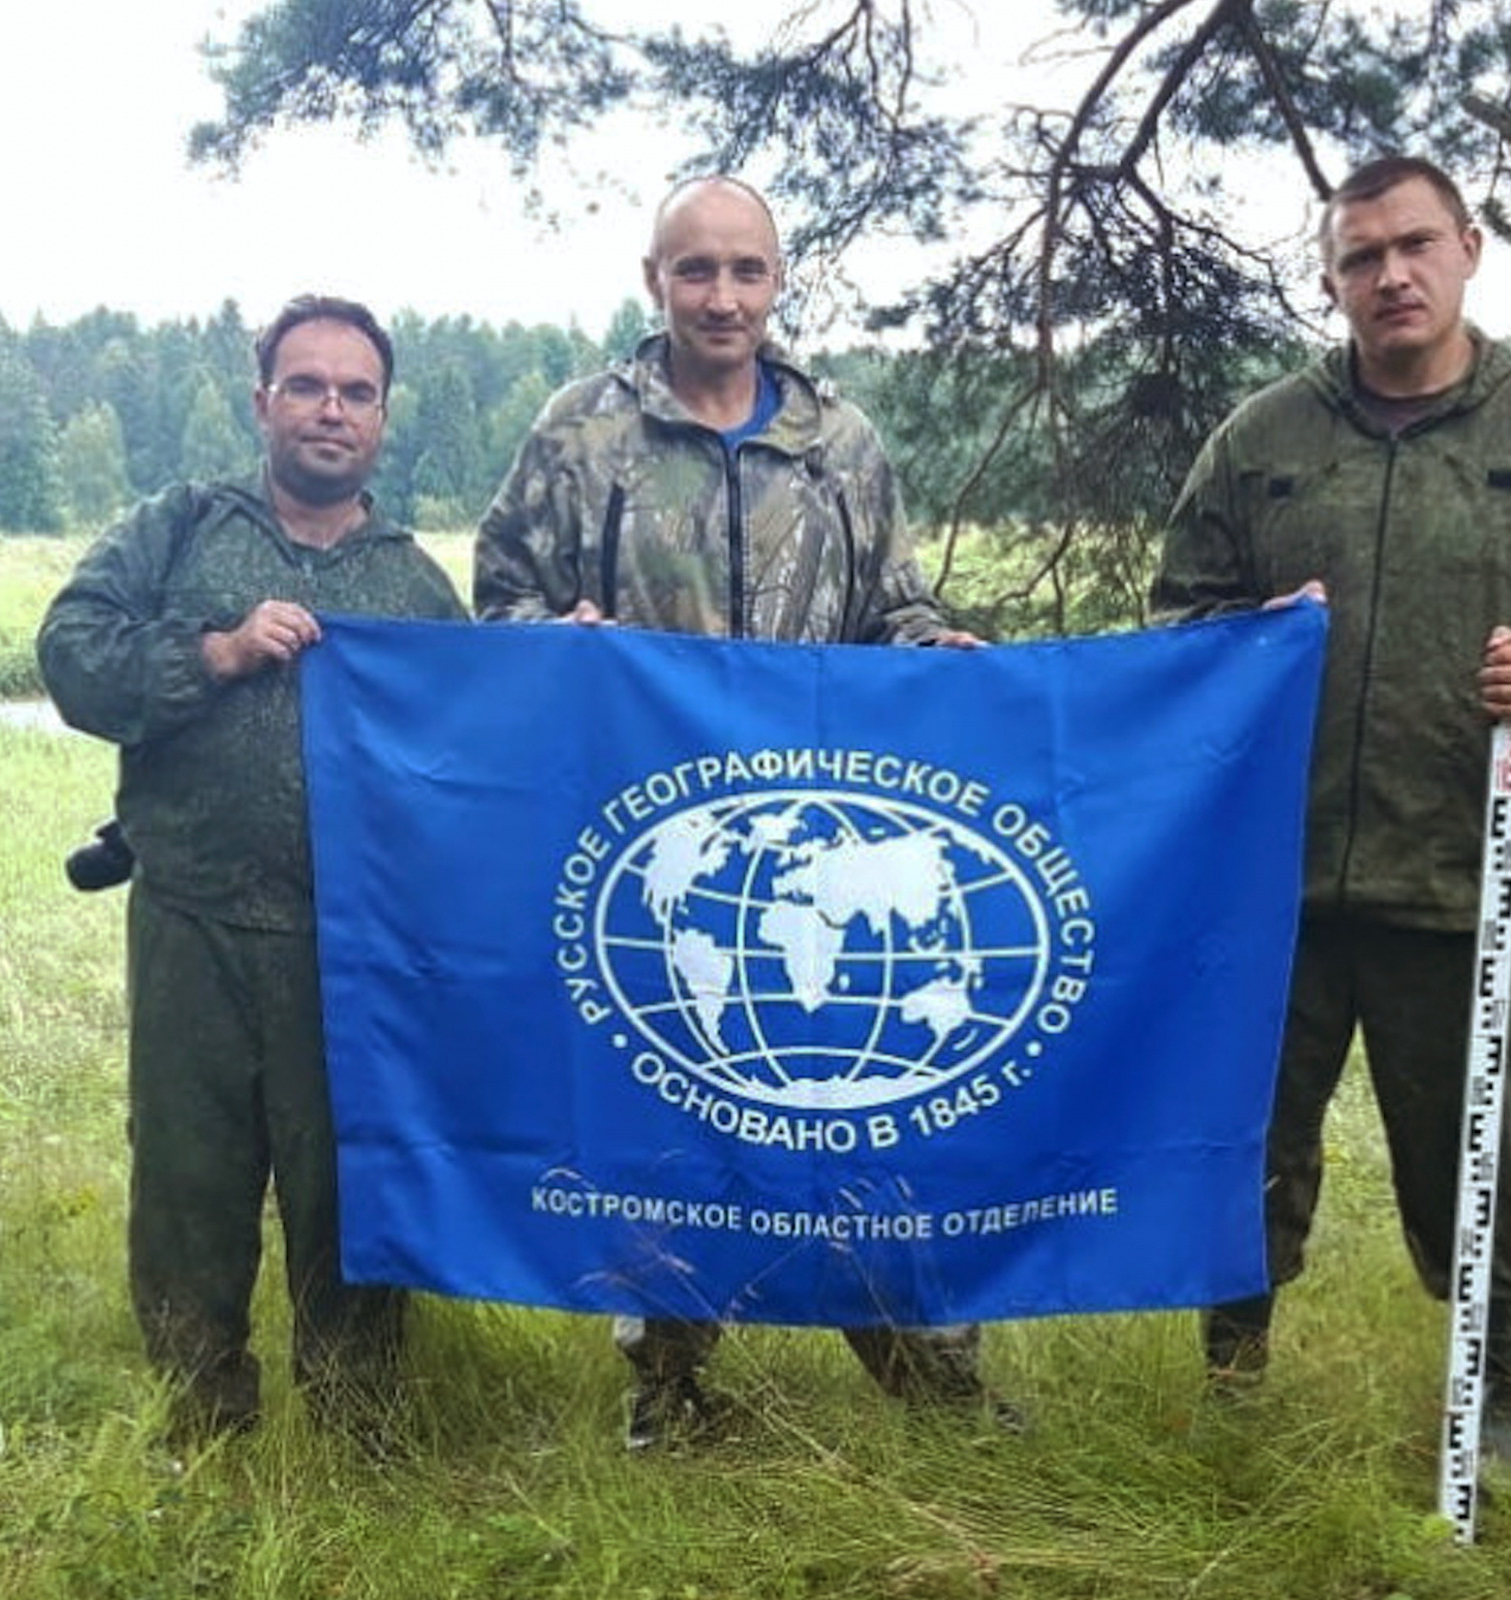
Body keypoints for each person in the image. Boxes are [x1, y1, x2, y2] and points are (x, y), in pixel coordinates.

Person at [1148, 156, 1511, 1477]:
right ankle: (1230, 1382)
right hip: (1274, 884)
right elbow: (1174, 620)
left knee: (1473, 1164)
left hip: (1465, 881)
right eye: (1360, 255)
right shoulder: (1262, 439)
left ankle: (1495, 1412)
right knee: (1245, 1149)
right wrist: (1233, 642)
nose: (1390, 274)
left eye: (1413, 245)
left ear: (1468, 248)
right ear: (1328, 279)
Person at [474, 175, 1000, 1450]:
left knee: (858, 1107)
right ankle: (666, 1386)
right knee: (669, 1119)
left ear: (778, 280)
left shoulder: (840, 442)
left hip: (819, 839)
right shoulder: (578, 433)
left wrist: (936, 648)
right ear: (651, 279)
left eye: (745, 271)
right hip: (657, 850)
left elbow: (892, 609)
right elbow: (499, 605)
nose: (721, 297)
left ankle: (932, 1384)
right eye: (694, 270)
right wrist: (560, 642)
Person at [38, 294, 467, 1443]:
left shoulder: (417, 585)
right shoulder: (178, 529)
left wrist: (568, 666)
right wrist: (216, 653)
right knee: (188, 1181)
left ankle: (357, 1419)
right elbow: (70, 656)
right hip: (194, 920)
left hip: (355, 950)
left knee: (352, 1190)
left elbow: (476, 757)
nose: (332, 409)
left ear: (381, 415)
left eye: (356, 391)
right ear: (262, 400)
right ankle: (200, 1418)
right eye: (307, 385)